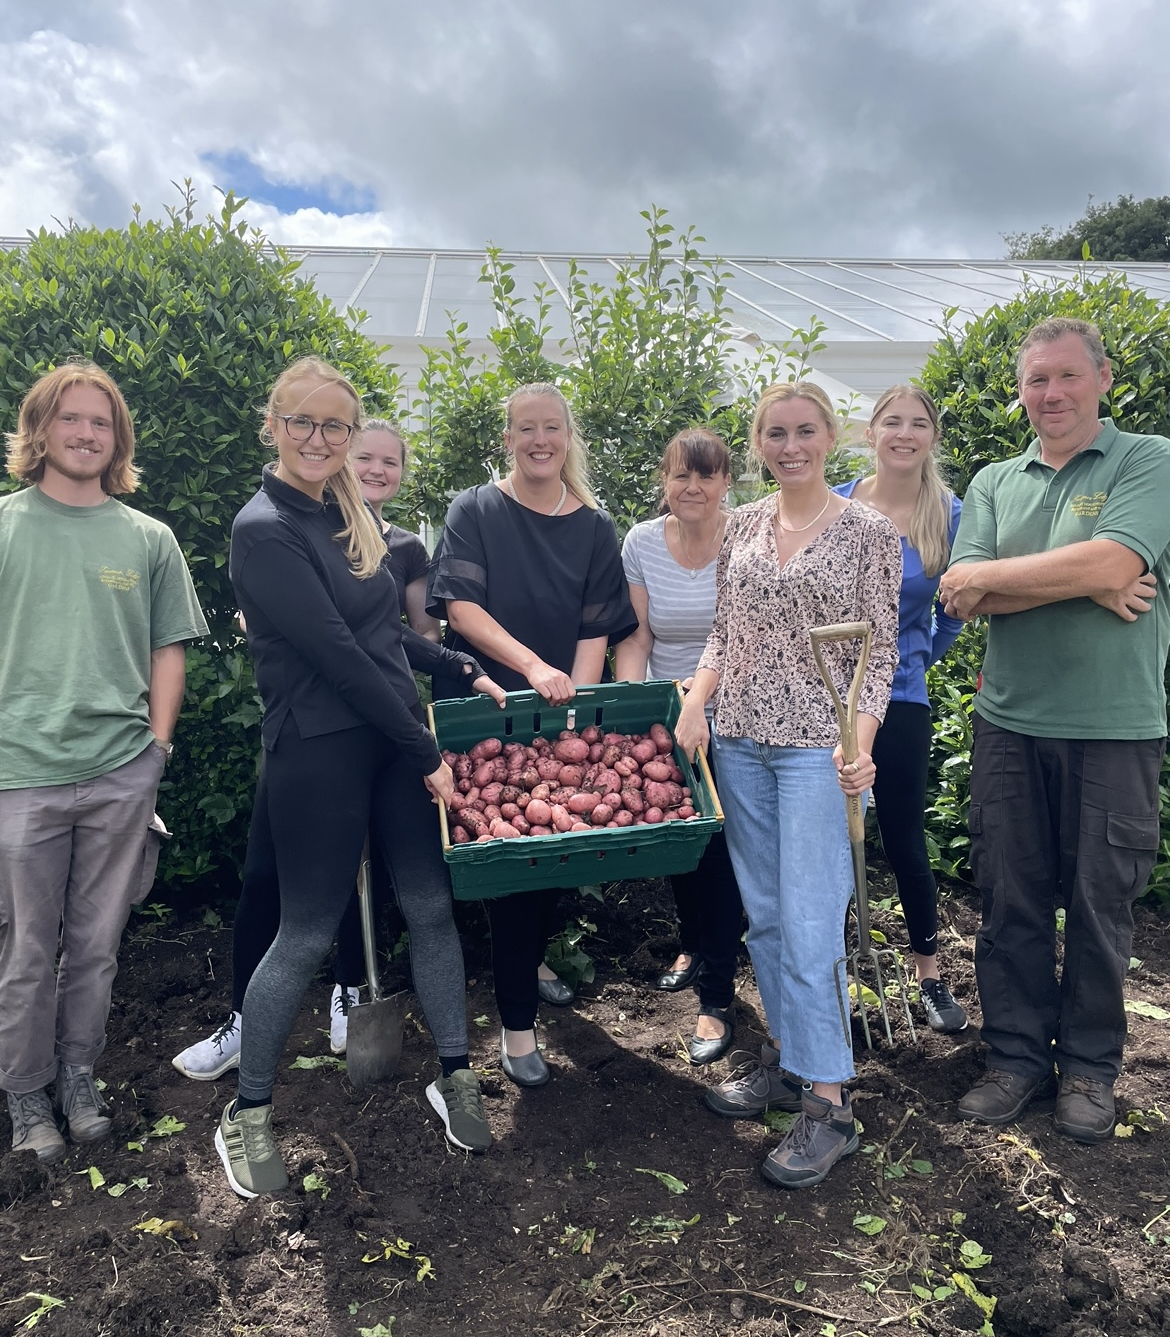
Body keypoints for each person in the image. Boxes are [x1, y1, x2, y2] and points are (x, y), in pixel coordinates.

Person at [214, 357, 498, 1198]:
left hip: (388, 739)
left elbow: (377, 633)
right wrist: (426, 750)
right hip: (319, 746)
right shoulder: (262, 527)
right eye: (301, 421)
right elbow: (336, 656)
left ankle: (454, 1074)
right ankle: (249, 1113)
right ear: (273, 423)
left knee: (431, 905)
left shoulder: (348, 511)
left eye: (335, 425)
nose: (318, 438)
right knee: (303, 933)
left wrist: (453, 660)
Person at [939, 318, 1170, 1143]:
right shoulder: (999, 478)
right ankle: (1015, 1059)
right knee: (1011, 898)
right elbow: (961, 593)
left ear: (1104, 377)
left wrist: (1088, 571)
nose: (1051, 394)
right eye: (1036, 380)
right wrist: (1088, 576)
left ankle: (1089, 1069)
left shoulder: (1151, 459)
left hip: (1115, 729)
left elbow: (1112, 564)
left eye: (1067, 376)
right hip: (1009, 724)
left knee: (1103, 907)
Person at [675, 381, 901, 1190]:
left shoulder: (870, 531)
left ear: (830, 435)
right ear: (760, 441)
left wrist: (863, 745)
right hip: (739, 742)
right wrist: (697, 702)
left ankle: (832, 1104)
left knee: (810, 927)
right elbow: (721, 634)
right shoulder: (741, 524)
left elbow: (879, 655)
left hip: (818, 751)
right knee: (766, 922)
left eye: (805, 431)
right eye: (776, 432)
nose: (791, 444)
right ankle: (791, 1063)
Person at [0, 362, 207, 1164]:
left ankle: (77, 1075)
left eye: (101, 422)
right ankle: (25, 1092)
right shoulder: (8, 525)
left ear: (117, 438)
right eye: (71, 419)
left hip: (122, 768)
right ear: (41, 428)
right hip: (20, 772)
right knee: (25, 943)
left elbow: (169, 650)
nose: (86, 433)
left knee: (95, 942)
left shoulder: (147, 538)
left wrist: (154, 748)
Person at [427, 382, 637, 1087]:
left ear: (568, 435)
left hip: (551, 716)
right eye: (526, 429)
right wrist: (531, 669)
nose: (539, 440)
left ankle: (526, 963)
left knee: (552, 852)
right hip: (483, 708)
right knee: (511, 865)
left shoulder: (594, 528)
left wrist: (568, 716)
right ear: (508, 437)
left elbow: (595, 629)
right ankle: (517, 1029)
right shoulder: (476, 510)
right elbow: (460, 609)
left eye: (552, 427)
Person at [833, 387, 967, 1034]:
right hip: (827, 700)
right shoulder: (838, 501)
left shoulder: (948, 512)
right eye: (893, 421)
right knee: (830, 839)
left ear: (932, 436)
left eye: (918, 423)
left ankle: (929, 973)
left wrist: (916, 659)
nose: (904, 433)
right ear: (872, 432)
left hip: (902, 700)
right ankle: (829, 970)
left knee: (905, 838)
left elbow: (956, 612)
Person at [614, 428, 745, 1065]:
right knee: (679, 843)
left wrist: (701, 701)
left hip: (738, 715)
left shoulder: (748, 535)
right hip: (669, 718)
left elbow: (748, 639)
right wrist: (632, 712)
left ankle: (718, 998)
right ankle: (695, 943)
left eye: (708, 475)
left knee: (718, 851)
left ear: (728, 482)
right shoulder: (641, 541)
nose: (693, 488)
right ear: (664, 481)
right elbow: (637, 638)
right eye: (680, 476)